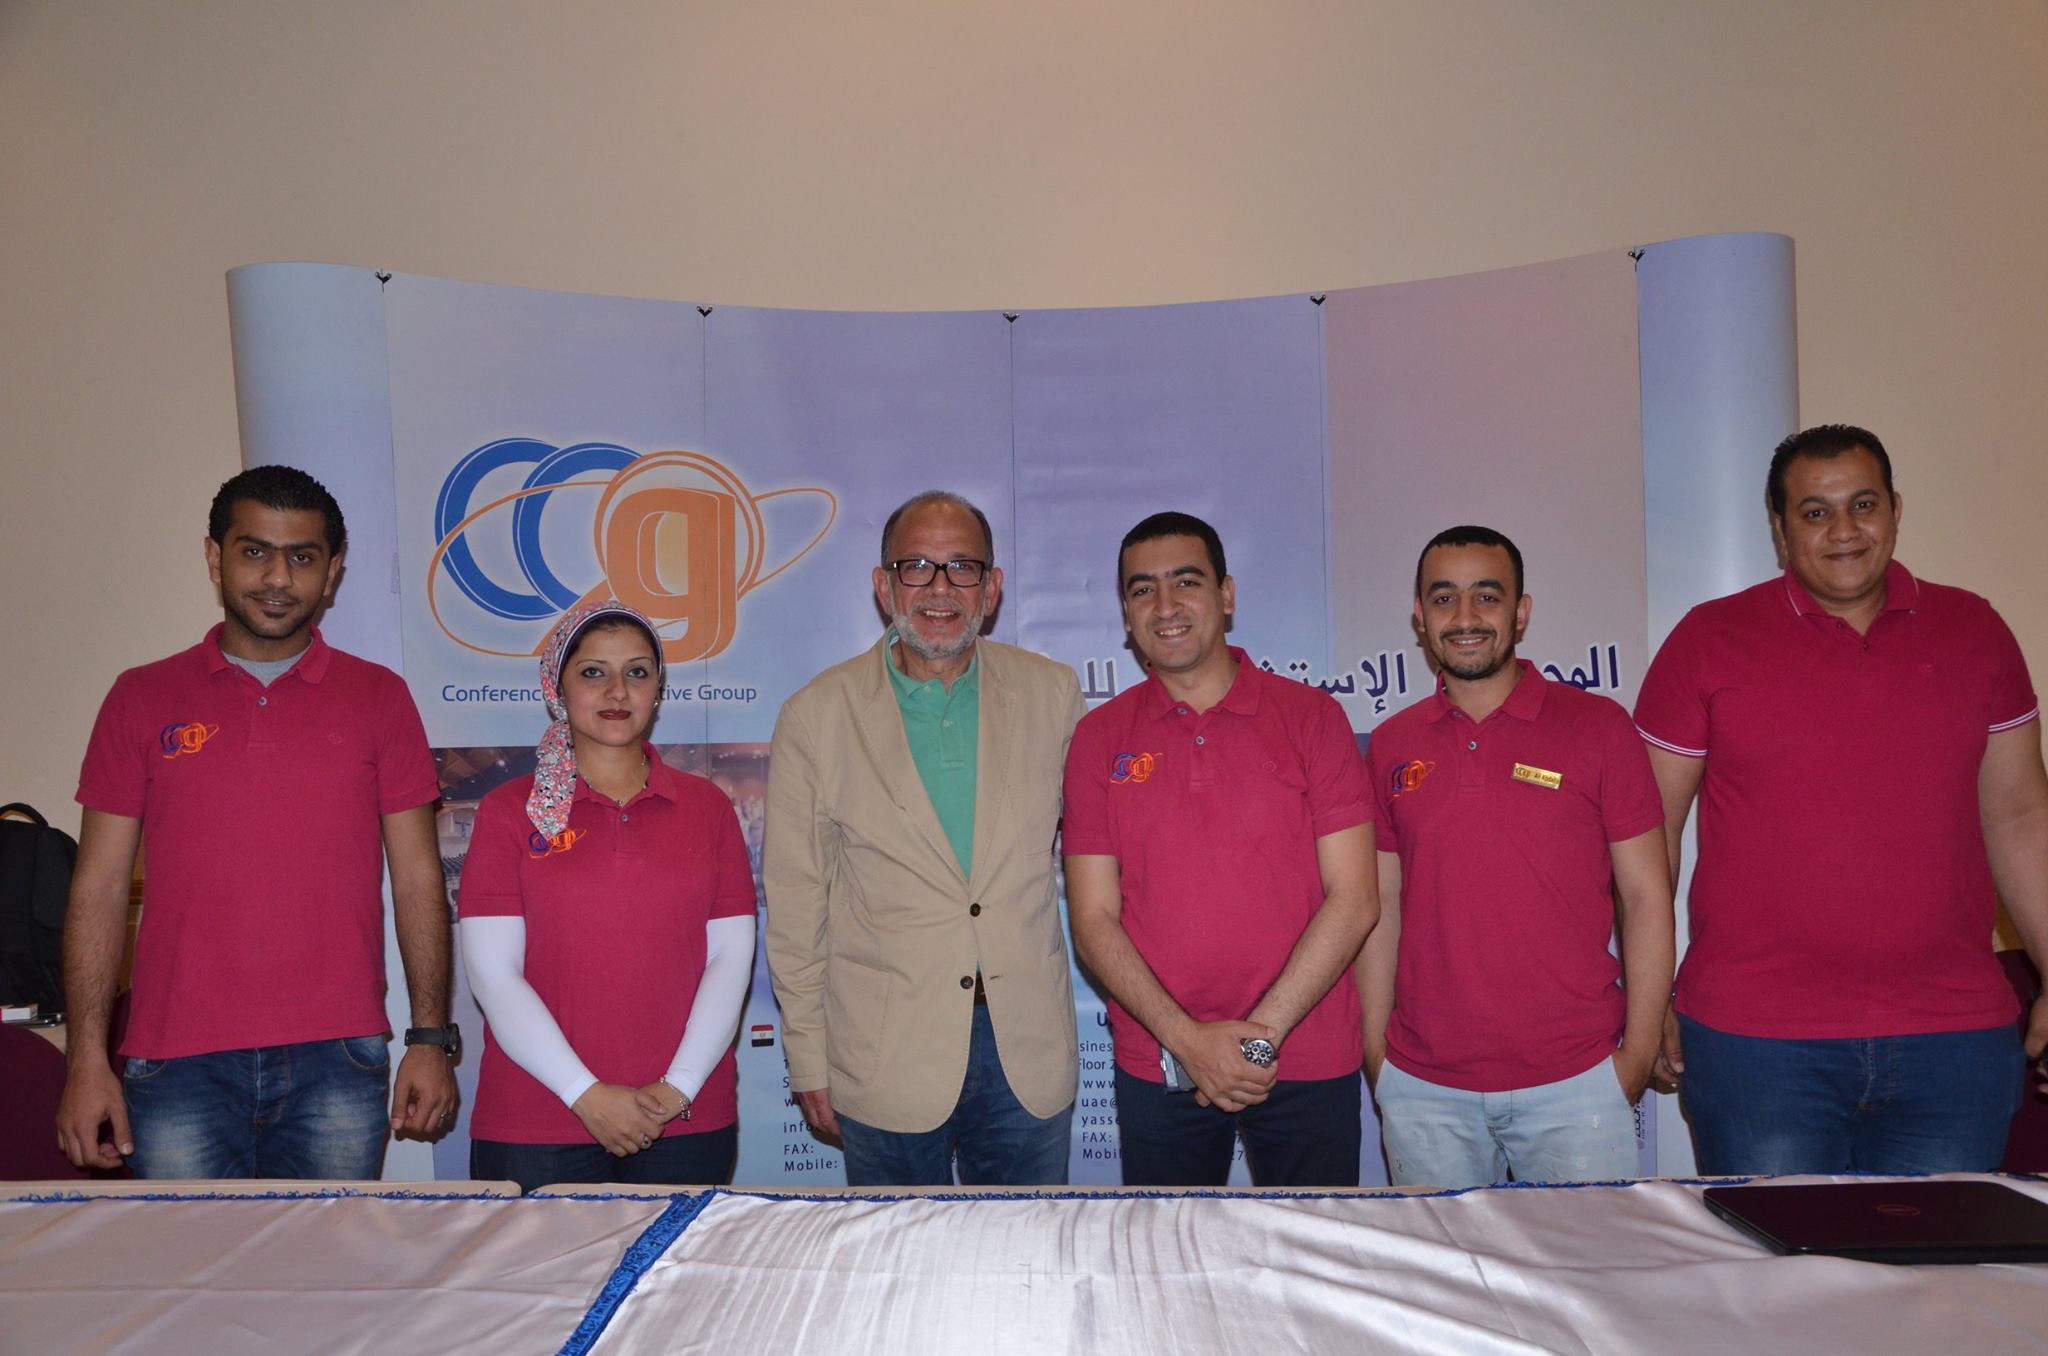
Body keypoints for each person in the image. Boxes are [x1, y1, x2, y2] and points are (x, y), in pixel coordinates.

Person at [1636, 424, 2048, 1174]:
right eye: (1815, 512)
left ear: (1895, 508)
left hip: (1954, 1039)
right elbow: (1648, 832)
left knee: (1943, 1257)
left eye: (1863, 504)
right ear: (1780, 529)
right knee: (1778, 1259)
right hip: (1757, 1045)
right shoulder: (1707, 640)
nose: (1844, 530)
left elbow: (2020, 816)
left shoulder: (1977, 631)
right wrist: (1647, 996)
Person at [56, 465, 458, 1178]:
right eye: (254, 552)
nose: (278, 578)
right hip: (173, 1063)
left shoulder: (380, 698)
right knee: (185, 1257)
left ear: (332, 572)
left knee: (327, 1257)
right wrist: (85, 1060)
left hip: (339, 1057)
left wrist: (428, 1039)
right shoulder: (140, 697)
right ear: (215, 558)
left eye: (302, 557)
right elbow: (98, 889)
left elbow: (419, 880)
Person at [764, 490, 1086, 1186]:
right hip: (884, 1055)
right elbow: (795, 906)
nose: (940, 589)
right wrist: (809, 1058)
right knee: (895, 1252)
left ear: (992, 589)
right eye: (916, 566)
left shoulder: (1053, 694)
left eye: (963, 567)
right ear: (884, 587)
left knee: (1028, 1249)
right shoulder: (816, 716)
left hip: (1026, 1052)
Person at [1062, 511, 1378, 1186]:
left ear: (1226, 595)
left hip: (1306, 1053)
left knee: (1313, 1248)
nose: (1165, 605)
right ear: (1126, 613)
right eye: (1143, 589)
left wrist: (1256, 1042)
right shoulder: (1098, 738)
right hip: (1161, 1059)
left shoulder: (1313, 719)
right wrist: (1188, 1041)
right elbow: (1092, 920)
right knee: (1167, 1249)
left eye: (1186, 582)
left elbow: (1355, 899)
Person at [1356, 526, 1673, 1187]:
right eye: (1444, 598)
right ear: (1419, 616)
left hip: (1577, 1082)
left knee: (1580, 1259)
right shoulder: (1391, 744)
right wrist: (1379, 1057)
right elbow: (1380, 902)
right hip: (1424, 1086)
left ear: (1521, 612)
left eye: (1487, 596)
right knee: (1439, 1260)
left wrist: (1637, 1053)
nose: (1465, 618)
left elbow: (1646, 896)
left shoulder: (1599, 728)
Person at [457, 601, 756, 1193]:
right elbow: (493, 975)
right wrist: (585, 1095)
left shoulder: (708, 809)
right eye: (593, 672)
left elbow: (730, 958)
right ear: (557, 687)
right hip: (537, 1121)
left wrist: (679, 1087)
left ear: (658, 689)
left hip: (684, 1118)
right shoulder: (508, 811)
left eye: (637, 672)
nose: (617, 691)